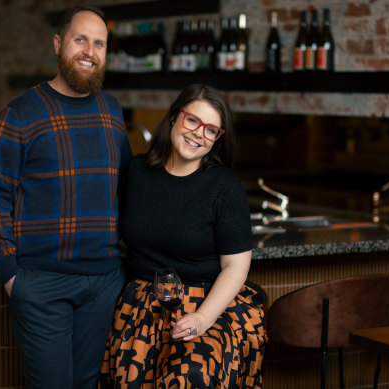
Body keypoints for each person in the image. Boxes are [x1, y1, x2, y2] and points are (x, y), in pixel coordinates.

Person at [0, 5, 131, 388]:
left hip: (104, 282)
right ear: (58, 43)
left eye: (99, 43)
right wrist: (11, 274)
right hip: (41, 283)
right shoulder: (19, 114)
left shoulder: (111, 111)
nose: (89, 51)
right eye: (81, 39)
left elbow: (128, 185)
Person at [100, 84, 267, 388]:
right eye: (193, 121)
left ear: (217, 139)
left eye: (211, 130)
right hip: (141, 306)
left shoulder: (225, 187)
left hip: (206, 306)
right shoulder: (136, 171)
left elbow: (236, 266)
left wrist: (202, 319)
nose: (198, 134)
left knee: (189, 379)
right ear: (176, 116)